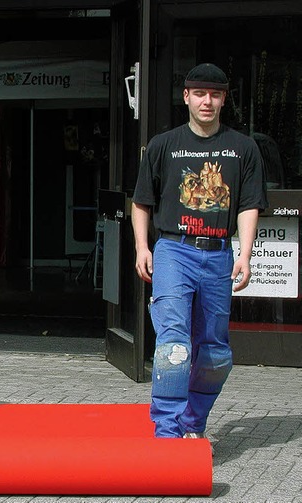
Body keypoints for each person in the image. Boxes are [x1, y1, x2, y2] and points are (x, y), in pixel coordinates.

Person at [131, 63, 267, 443]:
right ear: (187, 96)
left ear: (224, 99)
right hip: (174, 250)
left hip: (219, 253)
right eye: (200, 94)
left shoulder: (243, 148)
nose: (207, 101)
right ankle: (168, 431)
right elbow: (141, 202)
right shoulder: (163, 145)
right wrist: (143, 247)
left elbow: (248, 205)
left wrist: (245, 254)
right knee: (174, 343)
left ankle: (193, 422)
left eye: (216, 94)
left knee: (215, 355)